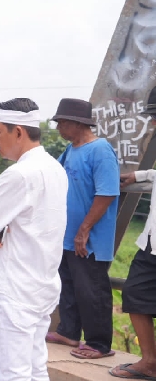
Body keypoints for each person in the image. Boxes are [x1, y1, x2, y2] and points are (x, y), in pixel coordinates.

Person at [0, 98, 68, 380]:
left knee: (13, 373)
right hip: (43, 283)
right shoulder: (55, 168)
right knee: (36, 367)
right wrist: (1, 226)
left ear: (19, 132)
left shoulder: (19, 174)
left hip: (16, 287)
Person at [44, 98, 120, 360]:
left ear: (78, 123)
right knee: (68, 285)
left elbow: (107, 193)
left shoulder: (100, 151)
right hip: (67, 235)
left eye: (62, 123)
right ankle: (69, 331)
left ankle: (99, 343)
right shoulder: (71, 149)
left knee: (92, 290)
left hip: (89, 238)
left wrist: (84, 229)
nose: (59, 128)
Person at [110, 89, 156, 380]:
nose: (152, 124)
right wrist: (139, 176)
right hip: (152, 241)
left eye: (155, 117)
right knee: (136, 293)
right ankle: (150, 362)